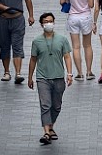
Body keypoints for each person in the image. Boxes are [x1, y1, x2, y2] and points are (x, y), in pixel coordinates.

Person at [27, 13, 73, 145]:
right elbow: (33, 59)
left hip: (58, 77)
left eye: (51, 21)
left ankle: (51, 125)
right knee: (45, 104)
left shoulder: (62, 39)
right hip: (43, 78)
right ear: (41, 24)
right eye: (46, 22)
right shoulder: (37, 41)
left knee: (56, 106)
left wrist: (69, 74)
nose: (49, 24)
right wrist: (30, 77)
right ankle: (46, 132)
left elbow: (67, 57)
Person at [60, 0, 95, 81]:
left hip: (73, 17)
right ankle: (89, 72)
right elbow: (91, 4)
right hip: (85, 17)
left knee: (76, 47)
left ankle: (79, 73)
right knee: (87, 45)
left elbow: (61, 1)